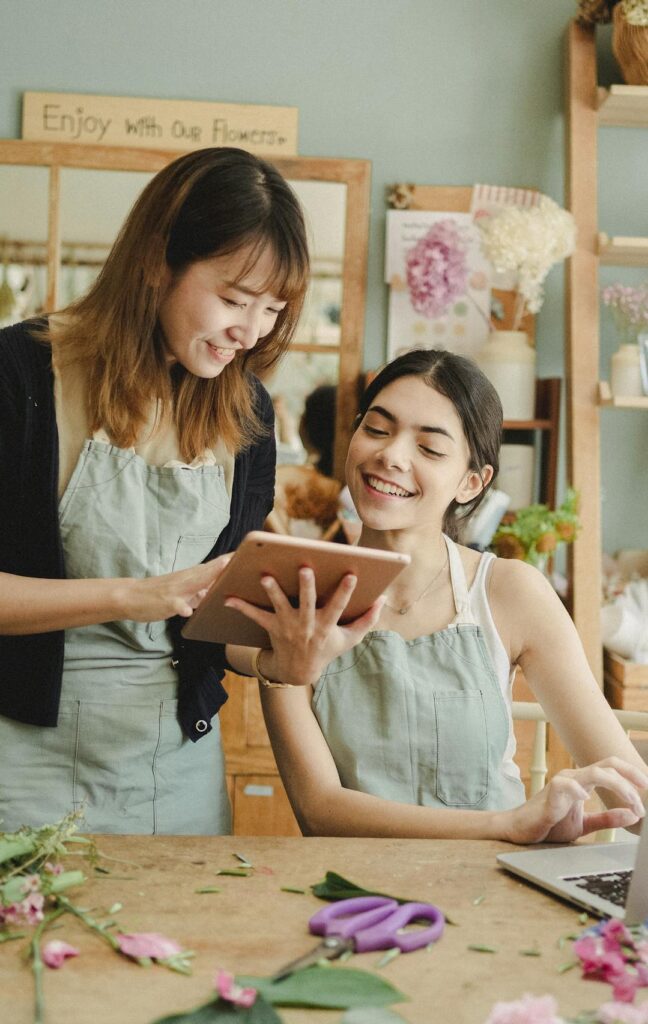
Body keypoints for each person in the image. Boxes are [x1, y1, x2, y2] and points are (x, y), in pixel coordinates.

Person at [0, 146, 309, 835]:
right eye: (232, 299)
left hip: (173, 764)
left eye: (271, 309)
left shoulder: (249, 417)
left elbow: (215, 630)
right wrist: (135, 595)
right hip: (18, 755)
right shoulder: (18, 376)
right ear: (155, 261)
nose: (250, 331)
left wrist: (278, 653)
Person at [225, 348, 648, 844]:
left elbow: (631, 794)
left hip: (493, 890)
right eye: (377, 430)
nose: (391, 456)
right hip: (350, 900)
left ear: (471, 482)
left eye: (429, 448)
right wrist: (509, 824)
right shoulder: (294, 595)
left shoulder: (509, 592)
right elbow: (320, 809)